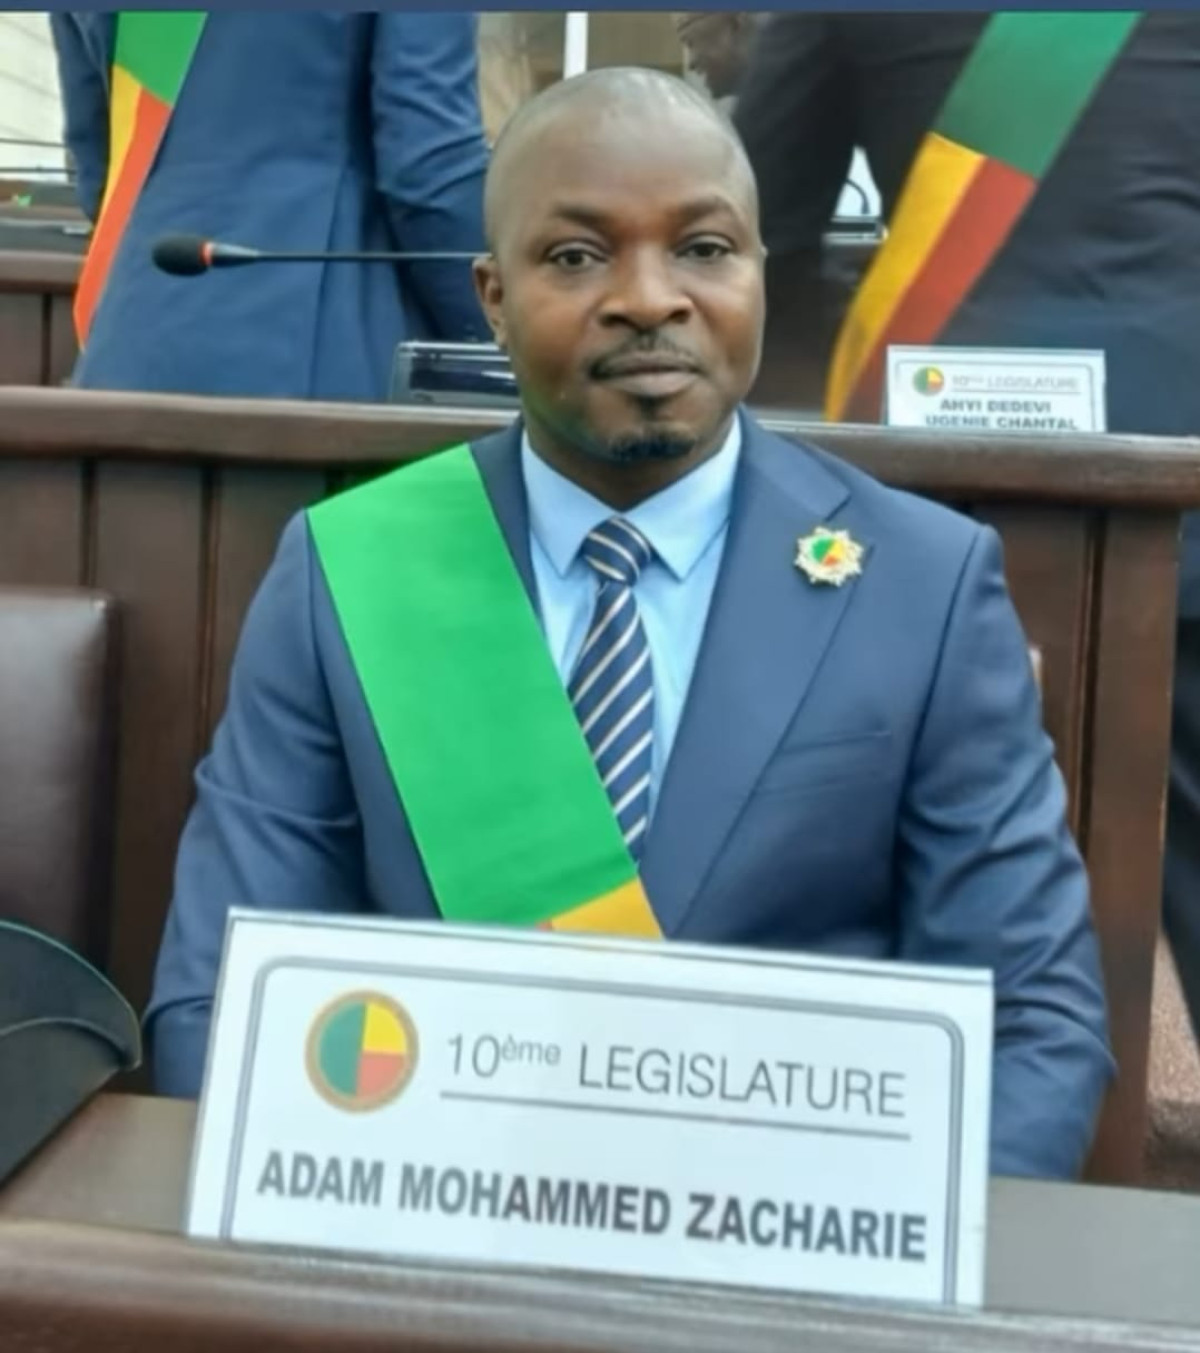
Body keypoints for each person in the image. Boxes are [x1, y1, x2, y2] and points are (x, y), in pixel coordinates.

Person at [146, 68, 1112, 1179]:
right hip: (426, 1247)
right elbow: (227, 994)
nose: (650, 297)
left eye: (703, 249)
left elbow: (1031, 1027)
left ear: (759, 271)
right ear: (492, 297)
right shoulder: (348, 572)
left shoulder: (924, 585)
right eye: (574, 255)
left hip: (804, 1262)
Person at [731, 12, 1200, 1039]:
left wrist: (825, 449)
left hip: (933, 491)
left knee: (905, 857)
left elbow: (763, 227)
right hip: (1183, 456)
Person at [50, 11, 491, 402]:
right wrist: (502, 326)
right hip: (331, 346)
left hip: (134, 339)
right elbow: (431, 168)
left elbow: (98, 167)